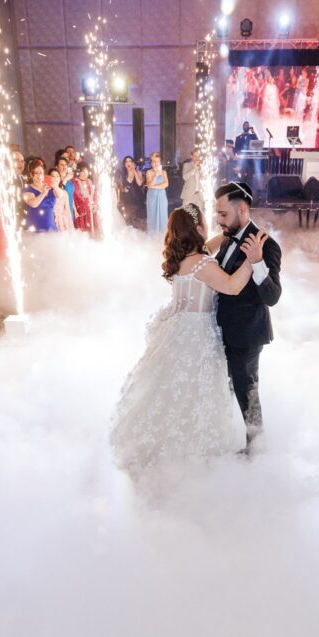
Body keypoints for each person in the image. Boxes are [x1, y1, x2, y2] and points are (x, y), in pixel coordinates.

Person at [110, 202, 268, 473]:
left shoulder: (182, 258)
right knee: (197, 390)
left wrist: (230, 232)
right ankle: (193, 447)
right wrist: (252, 261)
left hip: (177, 329)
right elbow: (231, 287)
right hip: (198, 332)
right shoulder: (202, 263)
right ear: (197, 228)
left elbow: (210, 244)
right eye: (204, 222)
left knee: (173, 388)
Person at [211, 182, 282, 445]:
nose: (218, 220)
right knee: (231, 389)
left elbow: (273, 297)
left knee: (247, 393)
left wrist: (257, 262)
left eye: (223, 214)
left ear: (242, 209)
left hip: (247, 334)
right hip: (224, 329)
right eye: (217, 213)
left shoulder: (267, 245)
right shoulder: (228, 237)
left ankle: (257, 451)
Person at [22, 158, 58, 233]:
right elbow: (33, 204)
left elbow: (59, 195)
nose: (39, 175)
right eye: (36, 173)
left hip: (52, 229)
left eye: (41, 173)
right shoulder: (28, 189)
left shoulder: (49, 186)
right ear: (31, 174)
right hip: (36, 230)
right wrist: (43, 194)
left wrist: (55, 185)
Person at [144, 151, 169, 237]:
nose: (156, 163)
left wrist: (154, 186)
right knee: (152, 216)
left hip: (162, 196)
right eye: (153, 161)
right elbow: (149, 185)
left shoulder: (164, 172)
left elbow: (166, 184)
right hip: (152, 197)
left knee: (163, 216)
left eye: (157, 161)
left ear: (160, 162)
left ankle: (163, 237)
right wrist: (155, 175)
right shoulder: (148, 172)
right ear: (151, 162)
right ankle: (152, 237)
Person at [118, 155, 145, 227]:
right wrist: (123, 189)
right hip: (126, 200)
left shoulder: (138, 172)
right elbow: (120, 187)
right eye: (126, 161)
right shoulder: (123, 175)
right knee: (127, 221)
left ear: (133, 163)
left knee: (135, 220)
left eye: (130, 161)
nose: (128, 163)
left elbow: (139, 183)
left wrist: (134, 171)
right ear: (124, 164)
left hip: (136, 200)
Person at [72, 161, 97, 233]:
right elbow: (77, 194)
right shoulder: (74, 182)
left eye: (86, 171)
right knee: (83, 232)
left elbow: (94, 194)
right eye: (82, 171)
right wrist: (87, 203)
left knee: (93, 231)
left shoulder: (89, 181)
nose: (84, 173)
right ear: (78, 172)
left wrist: (95, 204)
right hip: (81, 212)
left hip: (91, 211)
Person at [48, 168, 74, 232]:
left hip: (61, 220)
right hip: (50, 218)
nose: (55, 178)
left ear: (60, 178)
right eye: (53, 176)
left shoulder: (64, 192)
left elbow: (67, 210)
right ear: (49, 177)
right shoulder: (46, 191)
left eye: (57, 176)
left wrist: (70, 224)